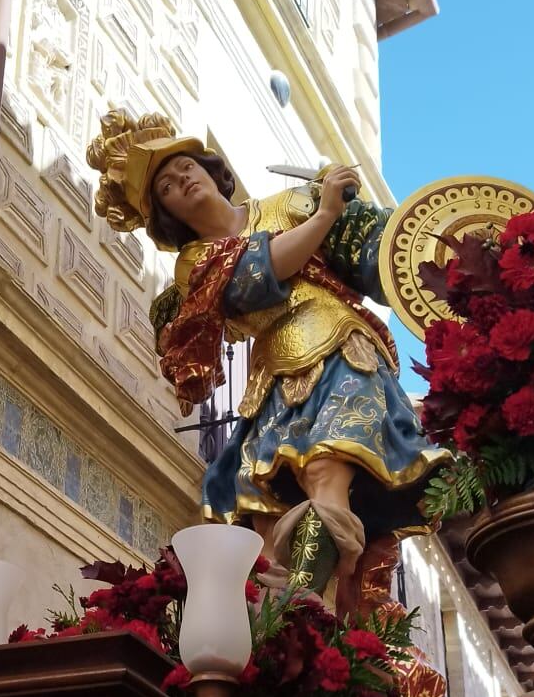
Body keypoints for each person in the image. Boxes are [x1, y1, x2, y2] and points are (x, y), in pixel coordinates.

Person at [87, 110, 449, 613]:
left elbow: (377, 256)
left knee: (326, 468)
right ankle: (288, 621)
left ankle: (296, 608)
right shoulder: (197, 263)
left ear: (210, 169)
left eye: (186, 166)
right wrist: (324, 215)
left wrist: (370, 220)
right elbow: (256, 274)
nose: (183, 179)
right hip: (274, 379)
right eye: (167, 186)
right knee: (263, 512)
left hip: (343, 351)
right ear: (166, 213)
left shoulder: (292, 202)